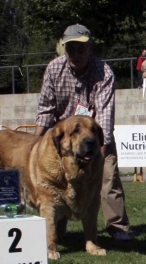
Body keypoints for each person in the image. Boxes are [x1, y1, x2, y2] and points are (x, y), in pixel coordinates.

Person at [35, 24, 132, 241]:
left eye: (81, 49)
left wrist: (102, 148)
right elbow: (45, 110)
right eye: (71, 49)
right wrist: (35, 142)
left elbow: (105, 114)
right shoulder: (53, 69)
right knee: (56, 182)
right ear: (64, 48)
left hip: (95, 136)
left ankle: (117, 227)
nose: (75, 54)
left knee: (108, 177)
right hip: (64, 140)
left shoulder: (104, 72)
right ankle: (57, 232)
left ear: (90, 49)